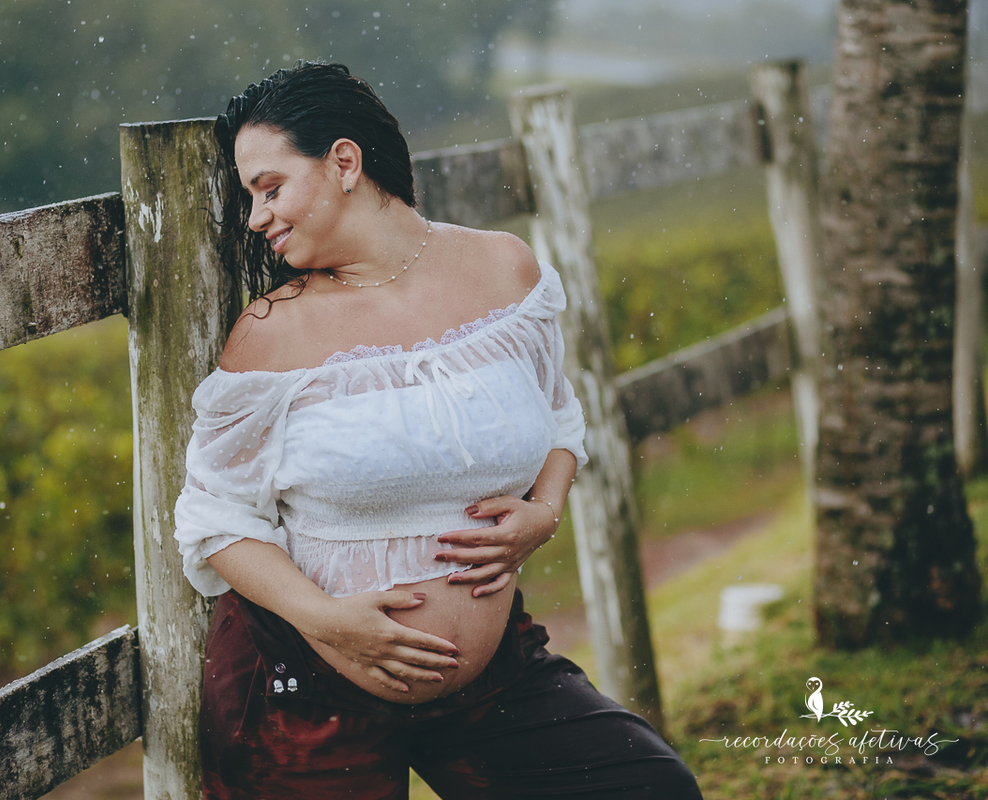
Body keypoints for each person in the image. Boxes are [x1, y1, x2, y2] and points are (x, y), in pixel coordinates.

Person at [173, 61, 702, 799]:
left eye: (269, 188)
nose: (256, 217)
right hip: (306, 688)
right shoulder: (271, 335)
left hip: (492, 683)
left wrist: (544, 512)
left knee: (647, 790)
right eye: (249, 198)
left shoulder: (502, 270)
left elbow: (558, 413)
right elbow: (216, 518)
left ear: (345, 162)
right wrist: (328, 620)